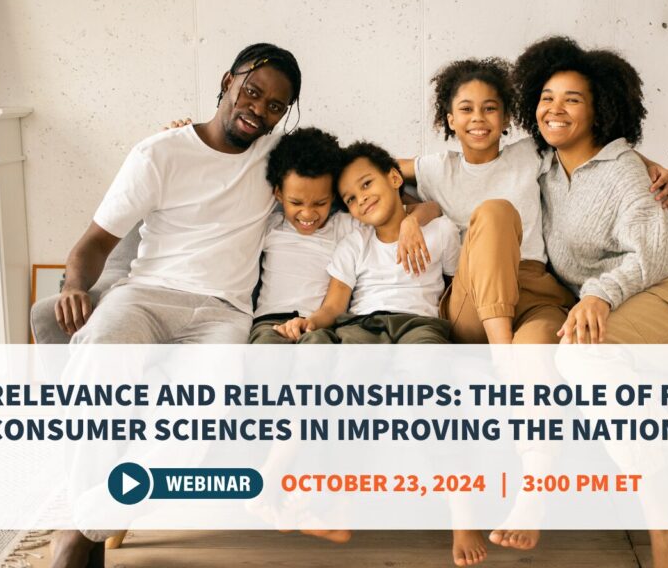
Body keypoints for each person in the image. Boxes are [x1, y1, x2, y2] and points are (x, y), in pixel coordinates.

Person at [510, 36, 668, 568]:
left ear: (600, 107)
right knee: (575, 360)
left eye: (573, 99)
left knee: (580, 355)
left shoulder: (623, 169)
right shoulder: (544, 169)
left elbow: (661, 248)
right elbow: (462, 160)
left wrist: (599, 295)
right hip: (630, 310)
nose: (555, 108)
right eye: (547, 96)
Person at [50, 43, 301, 568]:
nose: (259, 109)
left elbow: (361, 172)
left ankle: (81, 525)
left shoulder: (277, 161)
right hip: (146, 296)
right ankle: (89, 525)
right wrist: (74, 285)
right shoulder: (159, 152)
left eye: (276, 105)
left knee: (200, 420)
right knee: (95, 355)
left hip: (223, 313)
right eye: (252, 91)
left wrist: (419, 206)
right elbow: (95, 242)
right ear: (227, 80)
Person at [398, 57, 668, 348]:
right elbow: (375, 171)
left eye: (490, 108)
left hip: (536, 294)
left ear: (506, 118)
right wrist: (413, 215)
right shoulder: (436, 168)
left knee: (541, 353)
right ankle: (503, 354)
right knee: (496, 211)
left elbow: (589, 147)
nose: (478, 118)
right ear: (450, 119)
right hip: (473, 299)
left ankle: (516, 375)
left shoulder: (530, 153)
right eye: (466, 109)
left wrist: (648, 163)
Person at [251, 128, 440, 344]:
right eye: (296, 203)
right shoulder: (270, 226)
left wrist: (411, 221)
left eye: (320, 203)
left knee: (319, 350)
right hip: (269, 322)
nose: (307, 213)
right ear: (278, 195)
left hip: (318, 324)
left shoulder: (345, 225)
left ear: (332, 198)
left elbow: (430, 208)